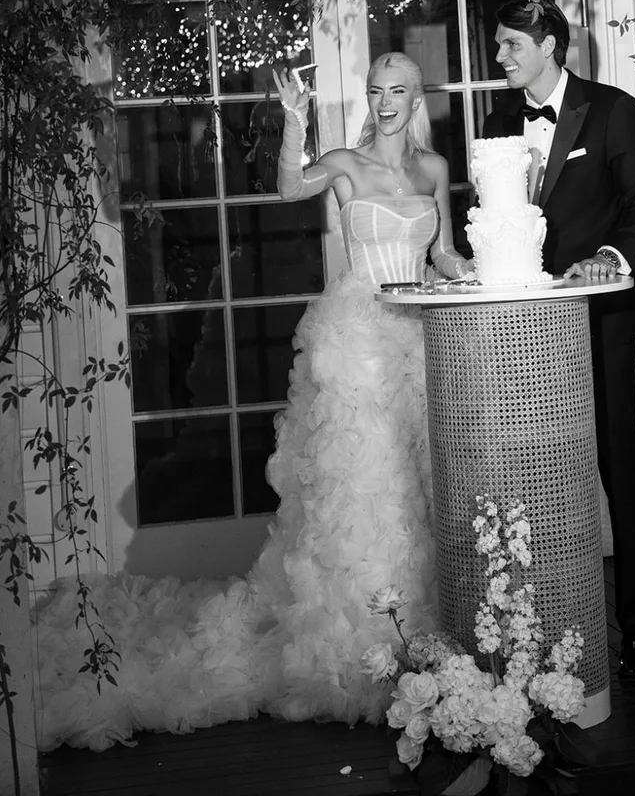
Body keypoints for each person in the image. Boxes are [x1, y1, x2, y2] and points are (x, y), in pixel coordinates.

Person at [33, 52, 472, 751]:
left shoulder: (433, 170)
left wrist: (482, 269)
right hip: (358, 337)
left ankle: (423, 628)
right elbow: (288, 190)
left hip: (417, 337)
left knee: (419, 491)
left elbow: (442, 251)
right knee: (363, 490)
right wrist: (294, 123)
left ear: (415, 97)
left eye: (397, 91)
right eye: (375, 90)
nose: (385, 101)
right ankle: (354, 644)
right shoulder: (346, 161)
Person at [482, 0, 635, 679]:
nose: (499, 57)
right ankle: (543, 617)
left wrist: (611, 261)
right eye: (498, 44)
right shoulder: (498, 118)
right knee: (530, 471)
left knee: (616, 465)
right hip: (524, 322)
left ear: (550, 45)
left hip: (598, 318)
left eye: (510, 45)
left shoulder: (613, 108)